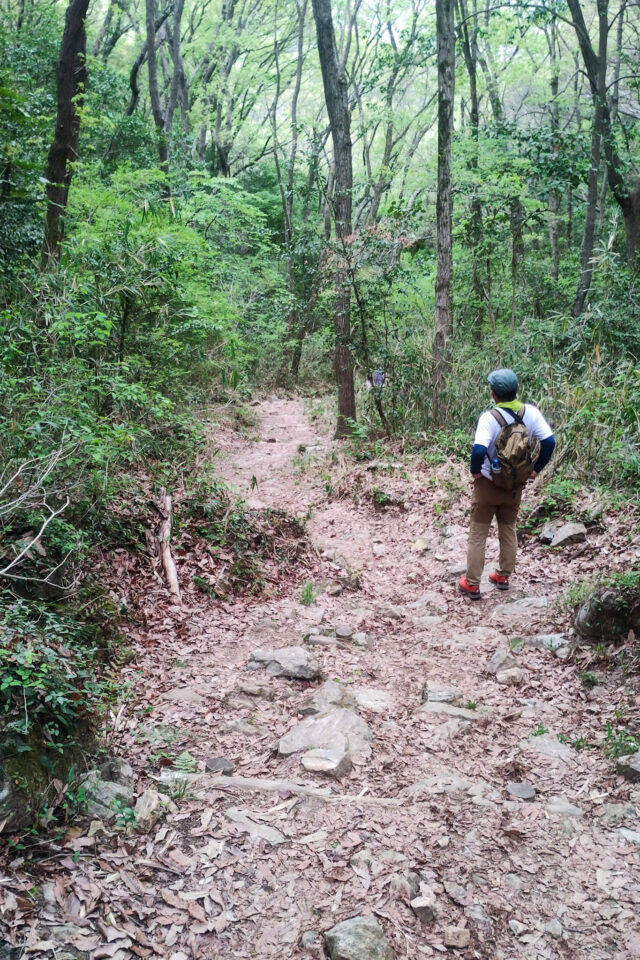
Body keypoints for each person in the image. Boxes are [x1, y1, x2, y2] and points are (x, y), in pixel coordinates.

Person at [458, 368, 556, 599]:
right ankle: (502, 576)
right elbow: (549, 442)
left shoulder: (489, 418)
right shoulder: (530, 413)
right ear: (517, 389)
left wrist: (475, 473)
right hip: (514, 486)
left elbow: (479, 449)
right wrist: (534, 469)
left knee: (478, 534)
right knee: (508, 529)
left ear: (493, 394)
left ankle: (472, 584)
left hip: (488, 486)